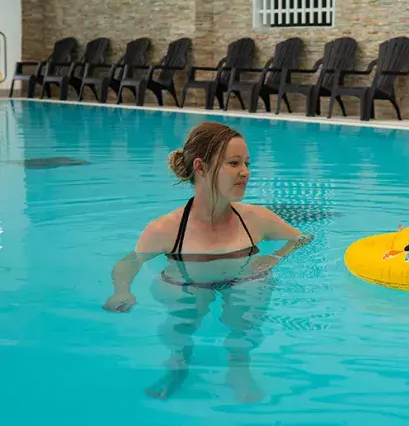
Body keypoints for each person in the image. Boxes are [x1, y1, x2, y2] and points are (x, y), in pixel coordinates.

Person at [103, 121, 313, 402]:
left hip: (242, 280)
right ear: (200, 168)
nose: (245, 172)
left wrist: (274, 257)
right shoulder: (166, 228)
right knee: (184, 305)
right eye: (234, 163)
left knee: (253, 289)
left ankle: (238, 367)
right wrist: (121, 291)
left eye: (247, 163)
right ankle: (178, 362)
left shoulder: (256, 218)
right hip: (191, 283)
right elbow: (131, 262)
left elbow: (302, 238)